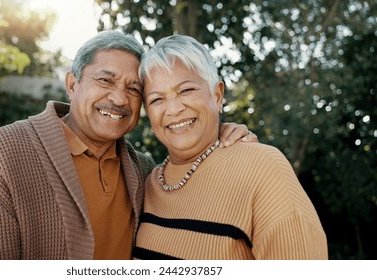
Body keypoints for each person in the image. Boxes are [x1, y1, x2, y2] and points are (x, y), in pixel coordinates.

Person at [0, 30, 257, 260]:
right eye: (105, 81)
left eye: (133, 89)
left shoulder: (145, 171)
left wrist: (219, 134)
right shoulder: (6, 152)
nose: (119, 98)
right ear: (73, 85)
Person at [133, 35, 328, 260]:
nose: (174, 109)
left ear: (217, 96)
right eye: (157, 100)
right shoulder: (147, 183)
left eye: (186, 90)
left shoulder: (263, 167)